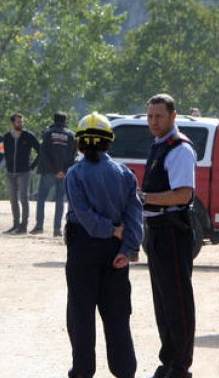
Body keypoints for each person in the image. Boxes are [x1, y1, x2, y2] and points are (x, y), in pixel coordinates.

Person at [64, 112, 142, 378]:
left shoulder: (75, 174)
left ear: (81, 143)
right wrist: (127, 249)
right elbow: (134, 216)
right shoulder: (125, 174)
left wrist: (109, 230)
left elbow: (84, 216)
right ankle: (124, 371)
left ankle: (83, 371)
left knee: (81, 314)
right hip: (115, 253)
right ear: (109, 142)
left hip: (83, 249)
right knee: (117, 315)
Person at [141, 93, 196, 378]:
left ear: (173, 116)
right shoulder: (158, 145)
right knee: (162, 302)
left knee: (177, 299)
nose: (154, 121)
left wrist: (143, 197)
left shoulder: (179, 149)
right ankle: (169, 359)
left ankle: (180, 365)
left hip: (172, 230)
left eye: (159, 116)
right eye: (150, 116)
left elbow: (183, 194)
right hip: (156, 230)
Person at [33, 111, 77, 236]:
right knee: (59, 200)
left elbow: (44, 154)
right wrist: (63, 170)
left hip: (48, 172)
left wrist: (54, 169)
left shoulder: (48, 134)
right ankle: (57, 229)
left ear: (54, 120)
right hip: (63, 173)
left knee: (41, 198)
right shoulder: (71, 135)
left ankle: (39, 226)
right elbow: (73, 155)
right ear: (65, 121)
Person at [2, 113, 40, 234]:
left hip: (24, 172)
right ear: (13, 123)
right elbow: (3, 153)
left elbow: (41, 151)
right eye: (18, 122)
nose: (21, 124)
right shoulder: (7, 137)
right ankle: (15, 224)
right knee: (13, 199)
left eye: (22, 121)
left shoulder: (28, 136)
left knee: (23, 198)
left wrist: (32, 166)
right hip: (10, 172)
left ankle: (24, 226)